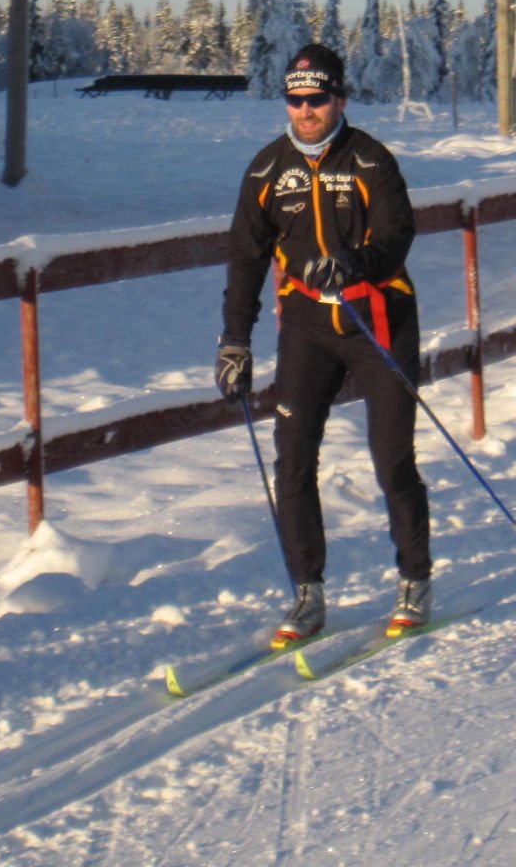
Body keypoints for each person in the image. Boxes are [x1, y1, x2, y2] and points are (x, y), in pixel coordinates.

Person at [215, 43, 431, 648]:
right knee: (293, 461)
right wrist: (235, 339)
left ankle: (415, 580)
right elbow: (245, 259)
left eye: (317, 99)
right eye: (295, 99)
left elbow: (397, 234)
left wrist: (355, 266)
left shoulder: (370, 161)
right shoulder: (265, 171)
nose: (305, 111)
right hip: (308, 330)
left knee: (392, 461)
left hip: (379, 322)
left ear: (339, 98)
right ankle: (307, 593)